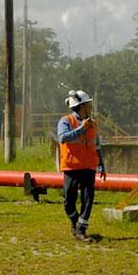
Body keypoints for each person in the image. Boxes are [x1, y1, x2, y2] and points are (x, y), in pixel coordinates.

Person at [56, 90, 106, 243]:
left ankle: (81, 230)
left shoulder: (93, 124)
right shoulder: (66, 121)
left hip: (89, 167)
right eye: (88, 105)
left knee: (88, 198)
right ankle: (75, 222)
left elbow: (96, 146)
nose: (90, 107)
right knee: (69, 201)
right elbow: (62, 138)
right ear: (81, 106)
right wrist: (81, 129)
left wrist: (101, 164)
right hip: (72, 167)